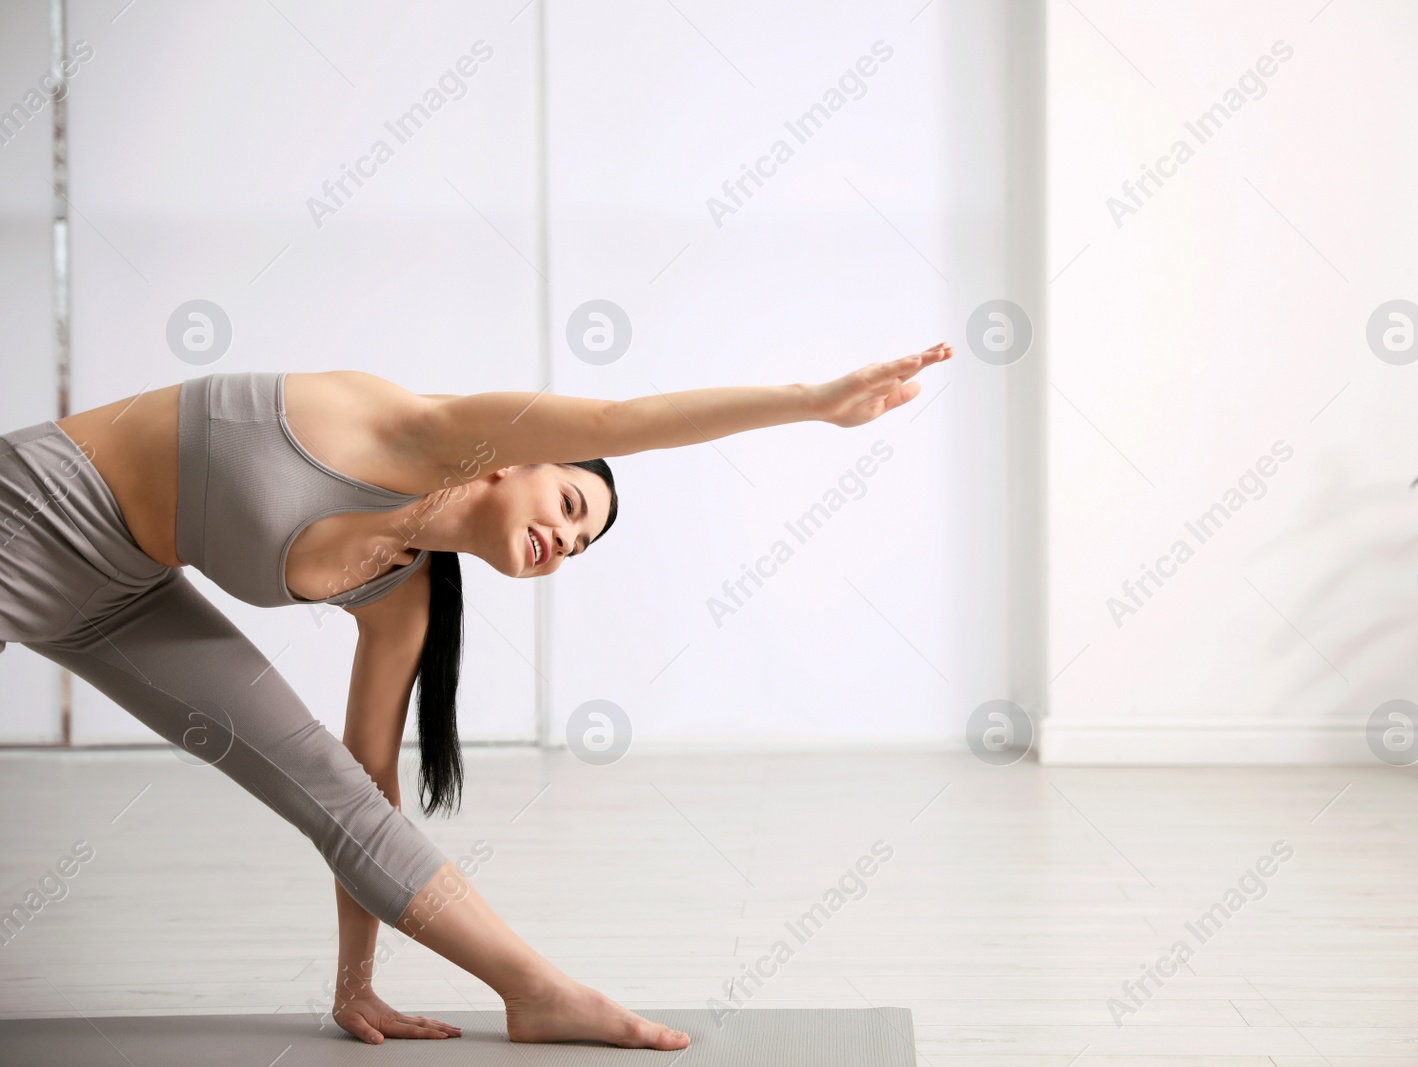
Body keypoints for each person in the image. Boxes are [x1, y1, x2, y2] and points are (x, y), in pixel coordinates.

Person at [0, 343, 950, 1049]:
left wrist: (355, 983)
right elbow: (623, 421)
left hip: (121, 597)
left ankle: (536, 990)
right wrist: (812, 401)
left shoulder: (402, 592)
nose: (563, 542)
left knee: (330, 782)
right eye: (570, 508)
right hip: (32, 513)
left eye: (579, 548)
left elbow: (361, 792)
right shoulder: (412, 430)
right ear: (520, 457)